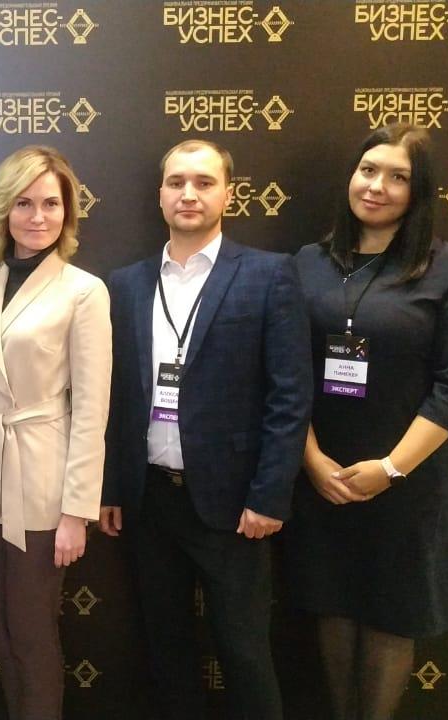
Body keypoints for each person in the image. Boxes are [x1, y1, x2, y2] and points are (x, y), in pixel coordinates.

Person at [99, 139, 311, 720]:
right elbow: (116, 396)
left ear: (228, 195)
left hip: (235, 506)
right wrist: (113, 487)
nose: (188, 193)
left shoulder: (269, 275)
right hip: (150, 501)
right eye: (176, 182)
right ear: (160, 195)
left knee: (244, 654)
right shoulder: (126, 284)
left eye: (203, 182)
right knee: (166, 652)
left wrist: (269, 496)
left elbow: (290, 396)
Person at [283, 124, 448, 720]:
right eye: (368, 170)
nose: (377, 186)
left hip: (407, 481)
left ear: (418, 191)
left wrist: (392, 469)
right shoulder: (310, 263)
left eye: (398, 177)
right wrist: (312, 460)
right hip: (326, 475)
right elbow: (286, 371)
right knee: (334, 606)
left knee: (391, 618)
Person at [0, 145, 111, 720]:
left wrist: (76, 511)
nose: (38, 216)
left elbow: (91, 410)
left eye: (51, 204)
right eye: (24, 203)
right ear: (4, 210)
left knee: (32, 633)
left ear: (68, 212)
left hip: (42, 489)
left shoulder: (84, 291)